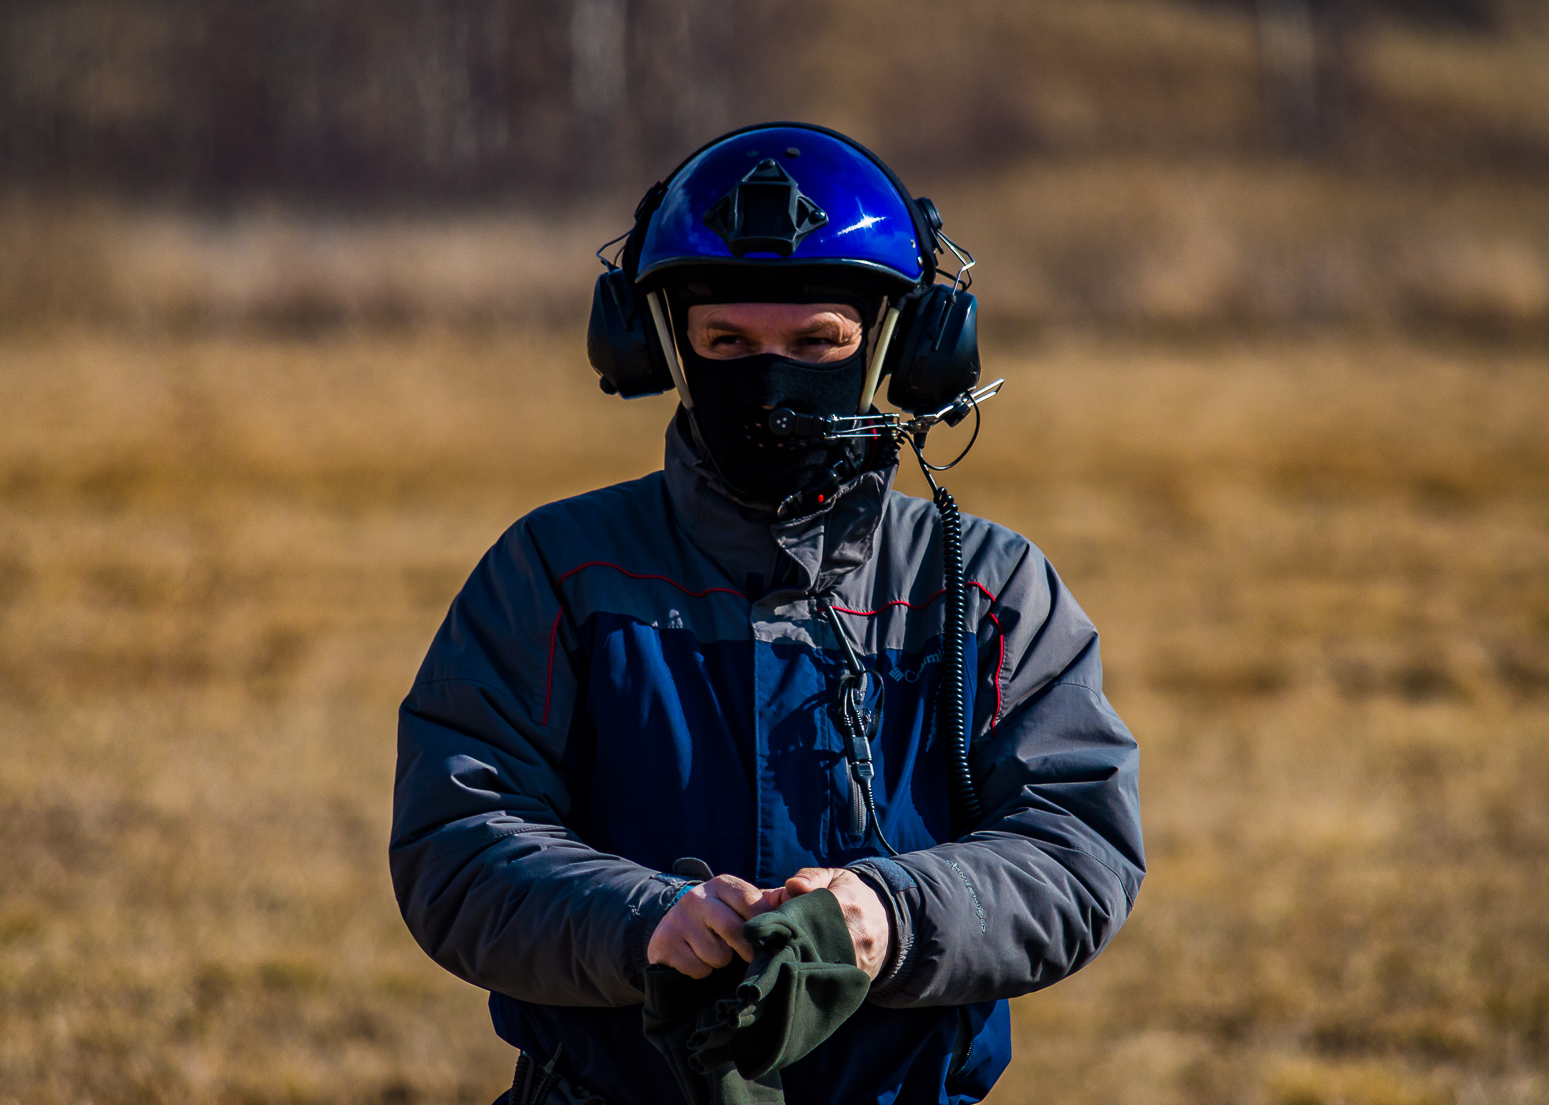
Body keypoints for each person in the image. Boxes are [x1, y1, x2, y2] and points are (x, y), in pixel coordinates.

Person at [390, 124, 1144, 1105]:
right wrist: (643, 924)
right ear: (660, 344)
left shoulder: (989, 588)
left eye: (816, 342)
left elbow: (1077, 843)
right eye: (727, 343)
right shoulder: (554, 571)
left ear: (896, 346)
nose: (771, 378)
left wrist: (892, 915)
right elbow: (457, 841)